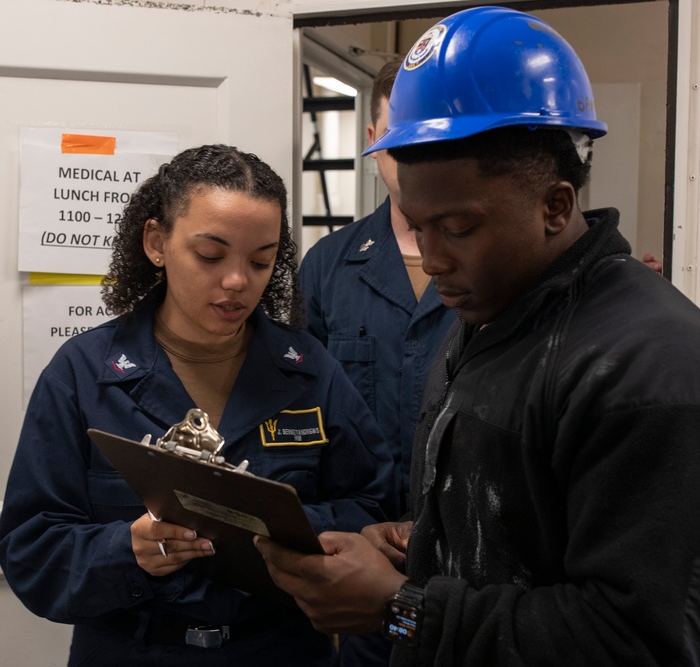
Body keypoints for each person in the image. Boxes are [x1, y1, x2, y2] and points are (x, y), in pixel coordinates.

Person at [255, 7, 700, 666]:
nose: (433, 257)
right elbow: (535, 520)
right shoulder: (491, 317)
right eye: (418, 225)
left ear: (555, 206)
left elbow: (641, 643)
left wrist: (402, 607)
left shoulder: (662, 374)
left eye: (458, 227)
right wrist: (423, 543)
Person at [0, 144, 395, 666]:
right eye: (210, 255)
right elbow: (32, 548)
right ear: (157, 242)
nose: (237, 281)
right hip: (134, 649)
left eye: (261, 261)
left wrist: (279, 530)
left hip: (278, 649)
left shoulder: (309, 371)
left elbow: (374, 509)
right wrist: (127, 551)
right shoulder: (83, 373)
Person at [300, 59, 458, 667]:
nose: (414, 150)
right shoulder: (328, 267)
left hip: (472, 572)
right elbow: (298, 419)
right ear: (374, 140)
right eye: (400, 130)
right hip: (362, 565)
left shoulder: (499, 270)